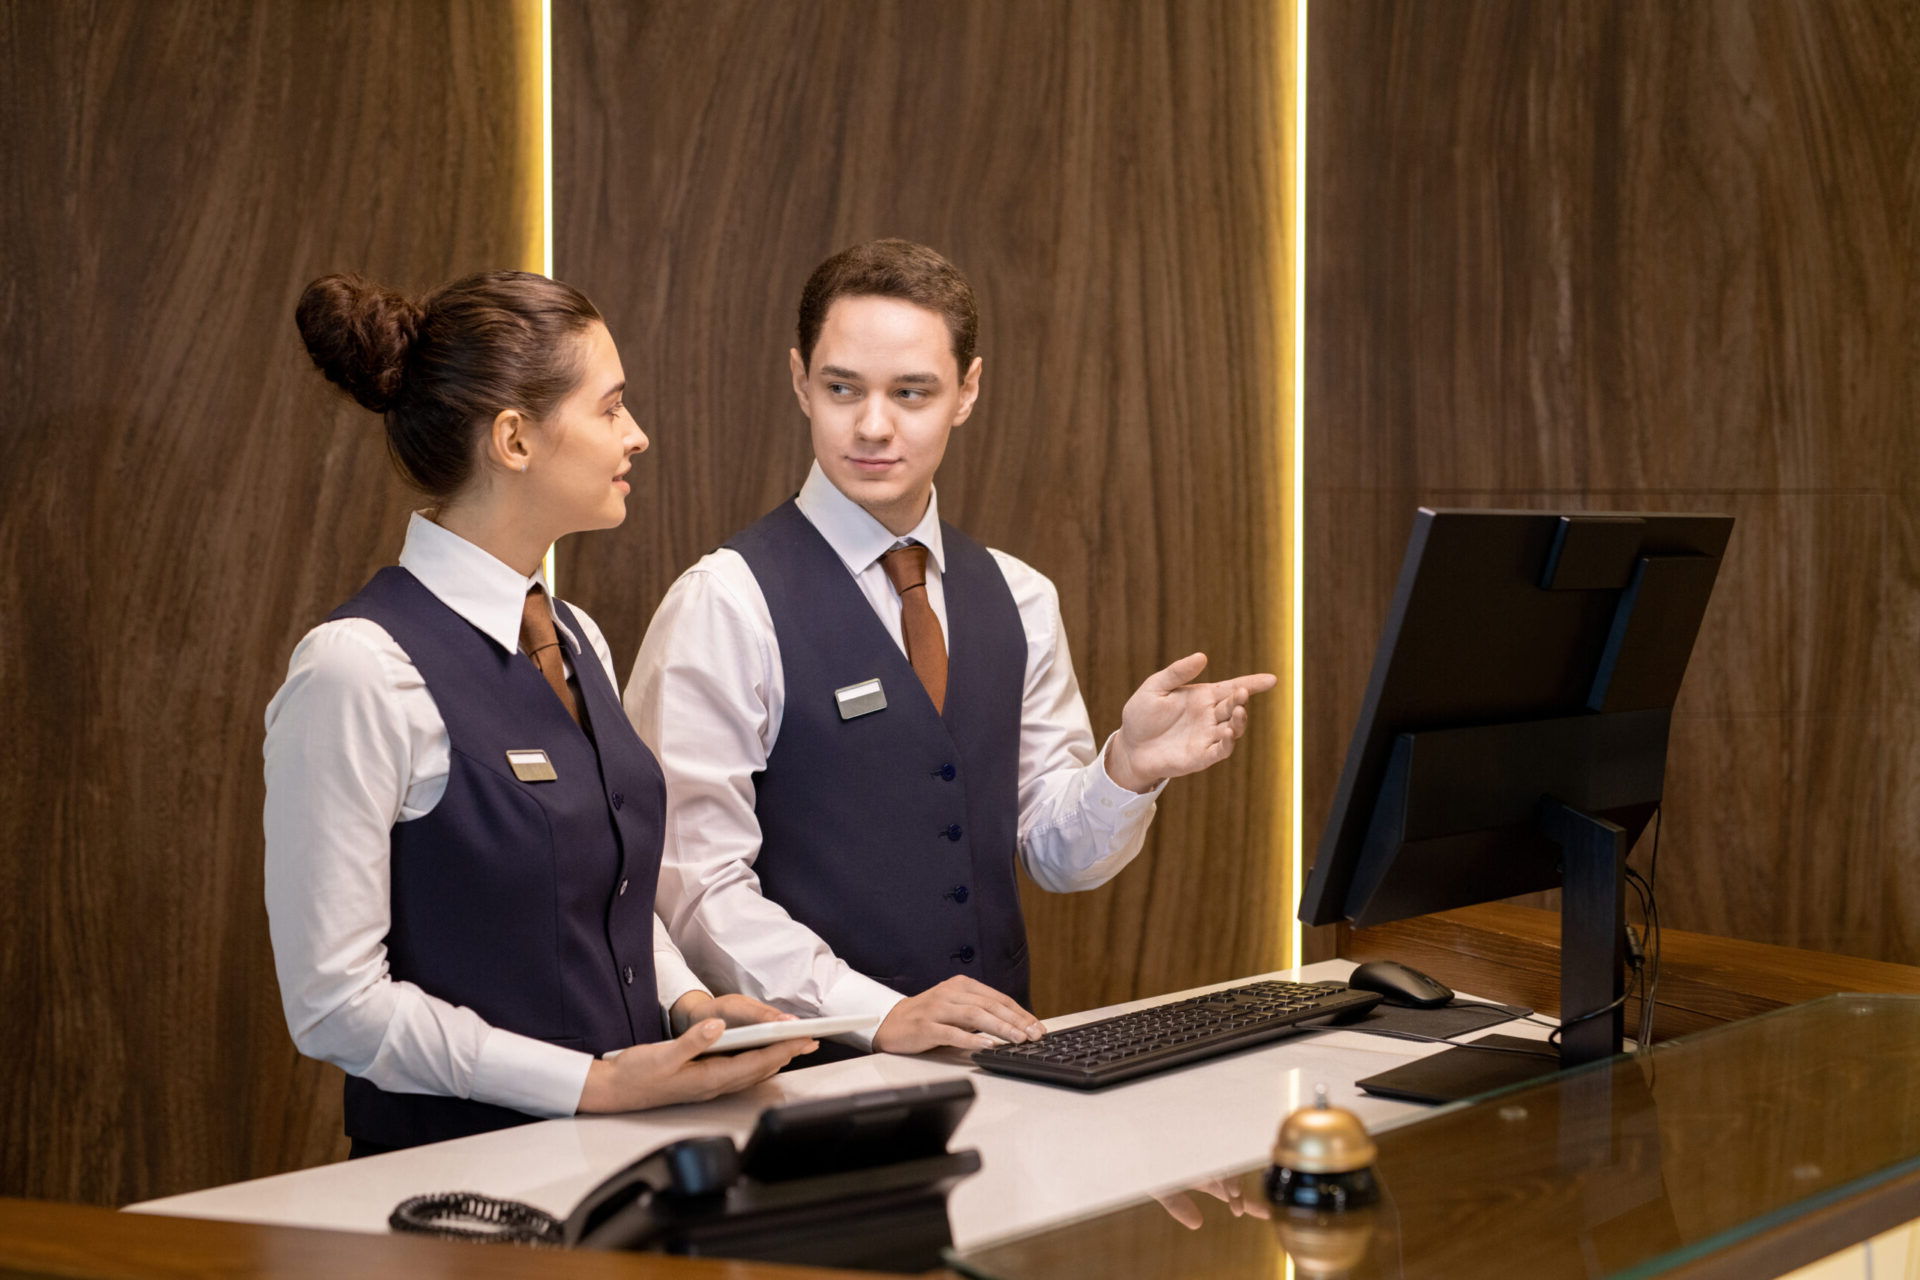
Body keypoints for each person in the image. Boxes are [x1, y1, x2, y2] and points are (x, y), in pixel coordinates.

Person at [625, 240, 1276, 1056]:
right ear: (800, 383)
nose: (872, 425)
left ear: (966, 392)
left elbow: (1055, 856)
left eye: (911, 392)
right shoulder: (724, 603)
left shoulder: (1021, 596)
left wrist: (1127, 771)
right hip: (802, 1077)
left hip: (1001, 1071)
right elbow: (694, 888)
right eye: (841, 389)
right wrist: (873, 1013)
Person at [266, 271, 812, 1157]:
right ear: (515, 439)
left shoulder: (575, 635)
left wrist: (691, 1004)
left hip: (630, 1160)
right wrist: (587, 1085)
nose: (637, 437)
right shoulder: (357, 671)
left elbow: (603, 898)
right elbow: (336, 1008)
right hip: (462, 1191)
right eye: (611, 409)